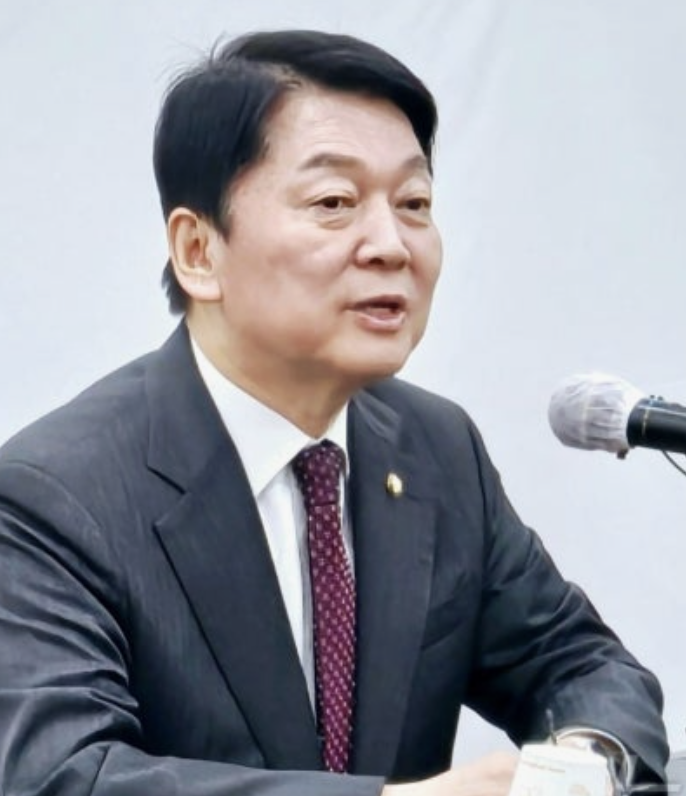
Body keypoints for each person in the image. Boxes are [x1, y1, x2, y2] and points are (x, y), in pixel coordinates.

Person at [0, 29, 668, 796]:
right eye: (334, 204)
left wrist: (583, 763)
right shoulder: (54, 497)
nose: (391, 245)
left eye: (414, 204)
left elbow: (580, 664)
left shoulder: (436, 450)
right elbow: (63, 776)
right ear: (198, 252)